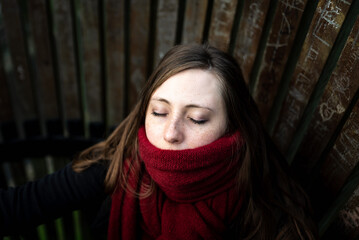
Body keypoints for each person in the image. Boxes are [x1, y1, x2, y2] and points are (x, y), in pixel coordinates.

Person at [0, 44, 317, 239]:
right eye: (159, 112)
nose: (170, 133)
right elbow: (17, 208)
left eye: (196, 119)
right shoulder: (120, 163)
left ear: (234, 127)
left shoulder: (263, 205)